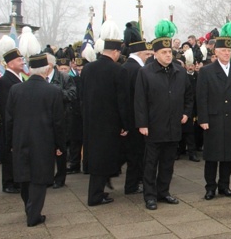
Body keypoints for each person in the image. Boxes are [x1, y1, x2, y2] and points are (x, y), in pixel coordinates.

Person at [134, 21, 194, 210]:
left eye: (170, 52)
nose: (168, 55)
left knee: (168, 162)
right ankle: (150, 196)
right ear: (155, 54)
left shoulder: (180, 72)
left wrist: (186, 113)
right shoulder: (145, 73)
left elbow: (189, 96)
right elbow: (140, 100)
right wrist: (142, 123)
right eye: (164, 53)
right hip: (153, 125)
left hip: (174, 125)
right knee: (151, 163)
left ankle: (164, 192)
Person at [6, 53, 65, 227]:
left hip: (20, 139)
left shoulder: (16, 89)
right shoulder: (53, 91)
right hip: (43, 140)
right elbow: (58, 122)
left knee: (24, 176)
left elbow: (9, 119)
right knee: (39, 178)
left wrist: (9, 142)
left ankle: (29, 208)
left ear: (29, 70)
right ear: (47, 70)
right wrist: (60, 145)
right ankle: (34, 214)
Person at [197, 29, 231, 200]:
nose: (226, 53)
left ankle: (224, 185)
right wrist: (203, 118)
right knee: (213, 156)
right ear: (216, 52)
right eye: (223, 51)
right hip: (214, 119)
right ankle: (210, 187)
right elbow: (201, 97)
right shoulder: (206, 71)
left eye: (229, 51)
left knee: (229, 155)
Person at [82, 37, 130, 206]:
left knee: (95, 157)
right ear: (116, 52)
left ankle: (98, 191)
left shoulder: (87, 69)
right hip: (110, 123)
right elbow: (122, 101)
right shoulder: (118, 71)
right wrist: (125, 124)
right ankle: (95, 195)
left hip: (90, 121)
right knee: (104, 159)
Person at [121, 40, 154, 194]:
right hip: (136, 118)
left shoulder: (127, 67)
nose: (149, 57)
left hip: (130, 118)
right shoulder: (137, 69)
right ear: (139, 53)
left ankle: (134, 183)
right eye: (147, 54)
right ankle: (132, 185)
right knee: (136, 154)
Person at [0, 39, 25, 193]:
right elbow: (6, 106)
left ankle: (16, 180)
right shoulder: (4, 81)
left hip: (19, 122)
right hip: (10, 123)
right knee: (9, 152)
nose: (22, 62)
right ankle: (8, 183)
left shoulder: (19, 78)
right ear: (10, 63)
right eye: (19, 60)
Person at [48, 55, 77, 189]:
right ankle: (47, 176)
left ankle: (60, 177)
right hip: (46, 119)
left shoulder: (65, 78)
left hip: (62, 117)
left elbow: (72, 95)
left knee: (61, 149)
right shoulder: (40, 78)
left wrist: (54, 91)